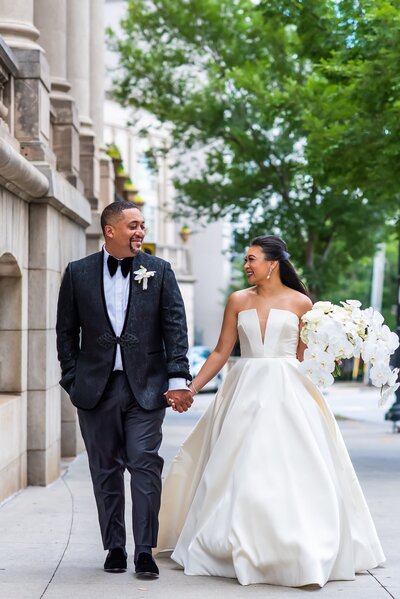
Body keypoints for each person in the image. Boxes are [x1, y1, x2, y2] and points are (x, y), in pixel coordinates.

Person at [157, 235, 385, 587]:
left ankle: (296, 547)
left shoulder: (302, 303)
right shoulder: (237, 300)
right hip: (244, 388)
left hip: (288, 390)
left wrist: (336, 350)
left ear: (272, 264)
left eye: (252, 259)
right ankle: (235, 544)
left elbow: (303, 357)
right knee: (239, 466)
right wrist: (192, 387)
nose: (246, 265)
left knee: (291, 468)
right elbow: (220, 352)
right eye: (245, 260)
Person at [56, 200, 193, 578]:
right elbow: (66, 332)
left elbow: (175, 328)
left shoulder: (159, 270)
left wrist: (177, 378)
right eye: (133, 225)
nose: (140, 232)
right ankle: (114, 546)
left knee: (145, 465)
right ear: (110, 230)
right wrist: (72, 378)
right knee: (105, 469)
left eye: (143, 226)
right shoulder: (78, 272)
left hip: (146, 389)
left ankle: (144, 550)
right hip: (94, 390)